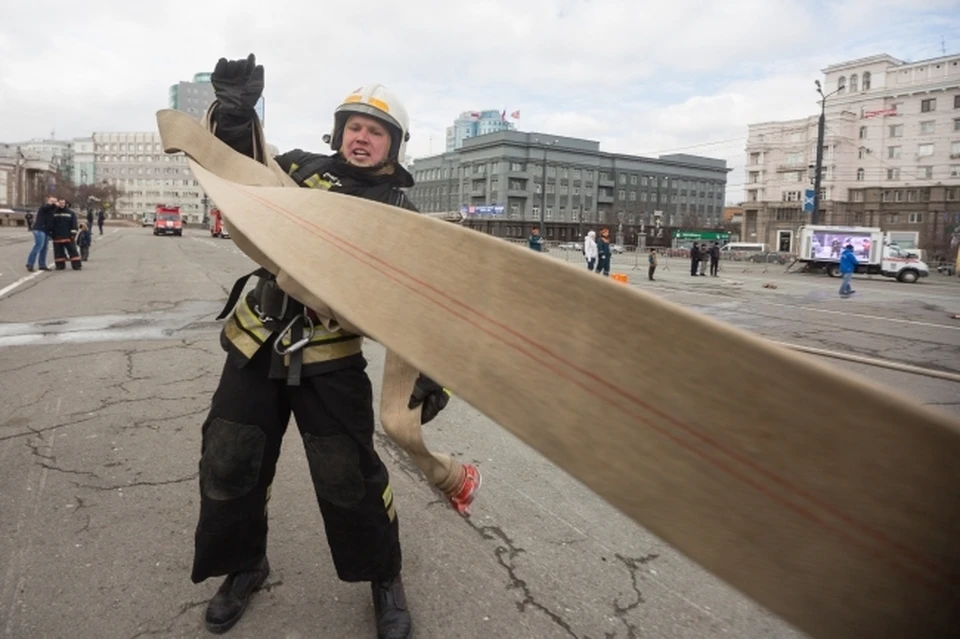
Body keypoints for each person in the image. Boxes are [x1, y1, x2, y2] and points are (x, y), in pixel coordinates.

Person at [190, 54, 455, 639]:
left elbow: (428, 302)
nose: (362, 138)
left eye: (376, 131)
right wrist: (236, 119)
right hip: (256, 343)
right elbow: (241, 174)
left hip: (332, 358)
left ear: (394, 145)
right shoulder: (297, 169)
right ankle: (243, 566)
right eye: (354, 127)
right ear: (338, 134)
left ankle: (384, 577)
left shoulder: (400, 214)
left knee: (348, 476)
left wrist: (430, 375)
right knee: (229, 461)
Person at [26, 196, 55, 272]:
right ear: (47, 201)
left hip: (46, 231)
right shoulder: (44, 207)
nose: (54, 203)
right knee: (39, 246)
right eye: (52, 201)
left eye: (55, 201)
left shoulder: (52, 210)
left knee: (44, 248)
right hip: (39, 229)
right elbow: (46, 207)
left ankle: (42, 264)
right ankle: (30, 263)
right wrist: (51, 204)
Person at [51, 198, 81, 270]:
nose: (62, 204)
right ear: (58, 203)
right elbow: (51, 224)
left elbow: (74, 225)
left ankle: (76, 265)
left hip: (68, 236)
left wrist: (73, 235)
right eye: (60, 203)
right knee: (58, 252)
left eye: (63, 203)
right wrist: (52, 234)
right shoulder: (54, 213)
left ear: (65, 204)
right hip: (57, 236)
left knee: (73, 251)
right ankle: (60, 266)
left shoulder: (71, 213)